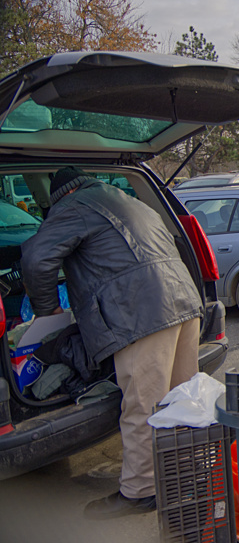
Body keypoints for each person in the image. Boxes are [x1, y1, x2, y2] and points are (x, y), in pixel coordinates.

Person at [21, 167, 203, 519]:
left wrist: (48, 312)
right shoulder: (126, 199)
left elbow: (36, 258)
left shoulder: (73, 205)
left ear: (60, 196)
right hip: (184, 301)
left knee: (143, 406)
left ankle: (141, 491)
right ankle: (184, 475)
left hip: (141, 314)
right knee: (180, 398)